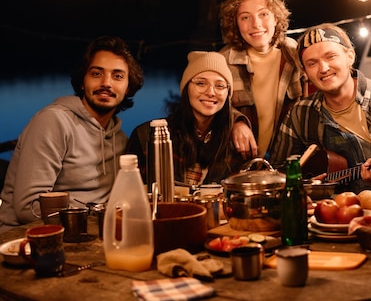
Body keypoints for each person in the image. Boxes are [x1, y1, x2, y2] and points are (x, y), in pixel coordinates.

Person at [0, 36, 144, 233]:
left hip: (87, 234)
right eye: (96, 73)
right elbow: (28, 208)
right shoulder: (53, 122)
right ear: (82, 82)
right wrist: (96, 214)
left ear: (128, 88)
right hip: (24, 238)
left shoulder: (119, 140)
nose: (106, 83)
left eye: (117, 76)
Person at [271, 23, 371, 194]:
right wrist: (301, 184)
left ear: (350, 56)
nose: (323, 68)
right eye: (312, 63)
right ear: (305, 73)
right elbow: (278, 172)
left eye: (331, 57)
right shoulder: (301, 114)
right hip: (331, 213)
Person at [126, 51, 245, 186]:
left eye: (220, 86)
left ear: (227, 94)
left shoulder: (237, 143)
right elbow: (129, 192)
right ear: (186, 88)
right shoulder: (147, 136)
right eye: (201, 83)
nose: (211, 92)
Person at [219, 0, 305, 160]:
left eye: (263, 14)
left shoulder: (294, 54)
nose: (256, 24)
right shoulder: (223, 60)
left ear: (276, 18)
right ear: (235, 23)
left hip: (285, 161)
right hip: (238, 165)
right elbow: (208, 109)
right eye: (245, 17)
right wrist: (236, 122)